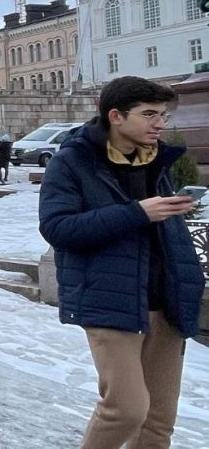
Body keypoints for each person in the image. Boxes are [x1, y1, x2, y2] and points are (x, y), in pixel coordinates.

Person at [39, 76, 206, 448]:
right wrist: (138, 213)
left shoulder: (156, 159)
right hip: (109, 300)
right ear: (116, 115)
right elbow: (58, 228)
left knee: (159, 421)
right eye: (149, 114)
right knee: (126, 409)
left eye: (163, 114)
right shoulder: (72, 162)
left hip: (168, 300)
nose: (160, 123)